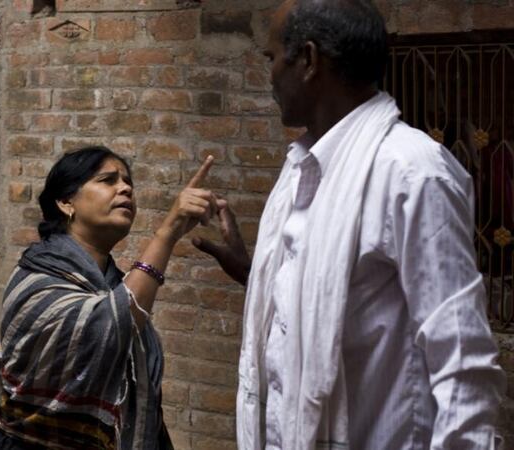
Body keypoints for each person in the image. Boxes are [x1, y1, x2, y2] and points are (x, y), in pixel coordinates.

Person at [192, 0, 506, 448]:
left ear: (308, 60)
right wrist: (255, 272)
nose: (270, 75)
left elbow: (461, 357)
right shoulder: (303, 164)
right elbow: (339, 297)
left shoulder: (411, 172)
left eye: (273, 58)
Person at [0, 146, 218, 450]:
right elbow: (108, 331)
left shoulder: (111, 283)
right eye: (107, 180)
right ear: (65, 202)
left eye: (127, 182)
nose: (125, 188)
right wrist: (167, 233)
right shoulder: (38, 281)